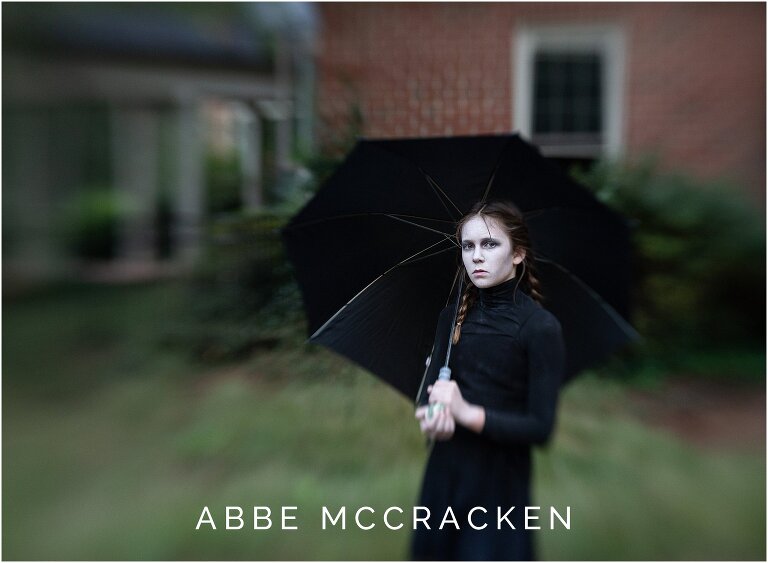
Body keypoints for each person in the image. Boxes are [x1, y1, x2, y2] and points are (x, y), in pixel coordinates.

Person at [411, 200, 566, 561]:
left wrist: (467, 414)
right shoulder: (450, 318)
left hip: (499, 487)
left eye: (490, 244)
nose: (476, 256)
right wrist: (433, 418)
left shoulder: (539, 328)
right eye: (468, 246)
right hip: (445, 477)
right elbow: (429, 396)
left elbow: (539, 428)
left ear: (518, 254)